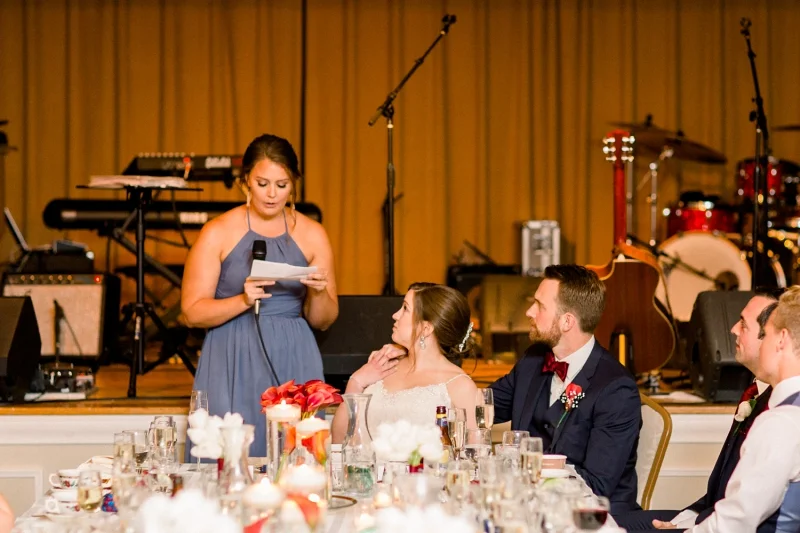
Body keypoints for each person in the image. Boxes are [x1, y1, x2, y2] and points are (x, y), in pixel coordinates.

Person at [181, 133, 338, 457]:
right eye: (262, 183)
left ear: (293, 184)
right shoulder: (218, 231)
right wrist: (242, 300)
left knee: (296, 461)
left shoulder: (313, 234)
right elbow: (191, 312)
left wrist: (319, 292)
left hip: (294, 353)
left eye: (282, 185)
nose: (272, 194)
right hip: (231, 354)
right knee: (228, 456)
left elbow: (323, 321)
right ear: (245, 183)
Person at [616, 289, 781, 531]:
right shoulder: (755, 393)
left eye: (744, 324)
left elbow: (749, 510)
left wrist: (691, 527)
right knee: (609, 524)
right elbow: (720, 493)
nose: (733, 329)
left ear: (773, 338)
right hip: (707, 515)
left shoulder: (778, 409)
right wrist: (687, 517)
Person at [489, 264, 642, 513]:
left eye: (539, 305)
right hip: (531, 508)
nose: (529, 312)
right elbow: (486, 406)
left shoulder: (616, 390)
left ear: (567, 321)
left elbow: (596, 485)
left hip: (594, 518)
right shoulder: (533, 360)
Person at [677, 286, 800, 533]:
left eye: (765, 334)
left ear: (781, 340)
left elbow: (733, 524)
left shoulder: (780, 423)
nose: (761, 345)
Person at [331, 283, 479, 443]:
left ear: (425, 328)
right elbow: (338, 439)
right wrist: (357, 381)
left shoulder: (460, 386)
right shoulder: (383, 365)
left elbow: (474, 452)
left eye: (405, 308)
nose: (395, 315)